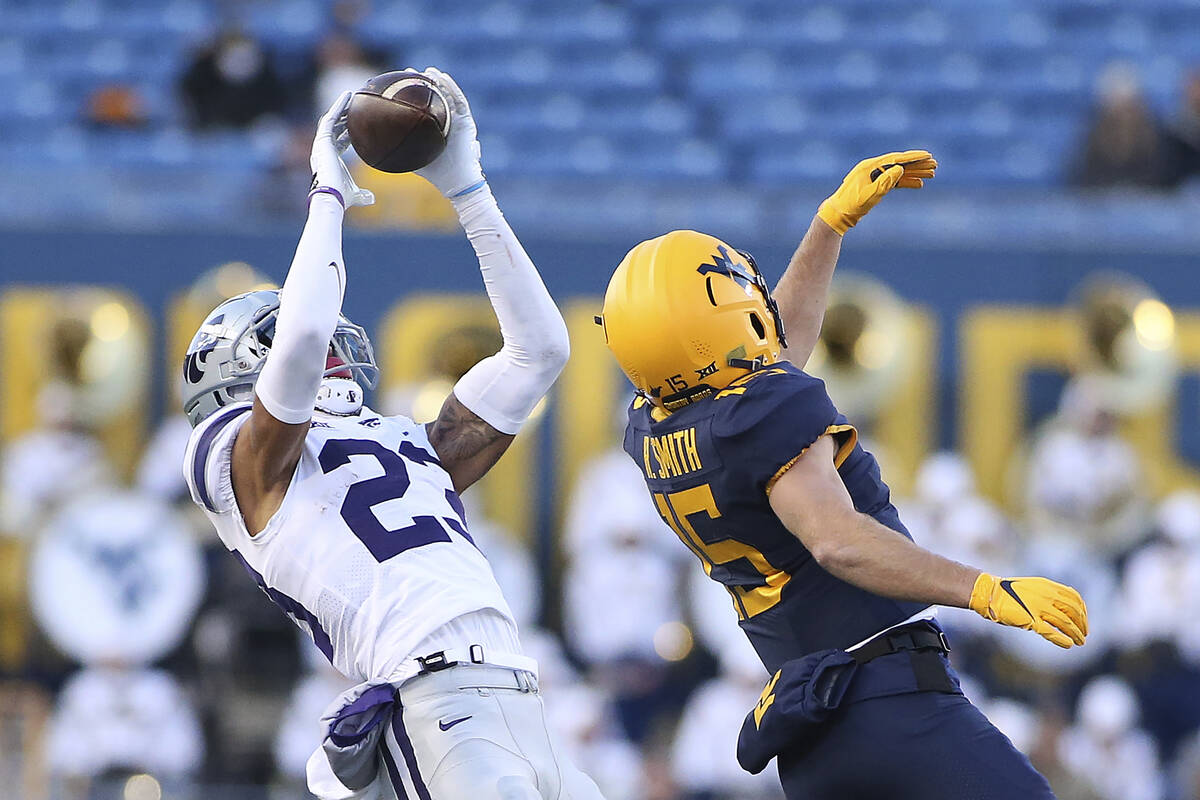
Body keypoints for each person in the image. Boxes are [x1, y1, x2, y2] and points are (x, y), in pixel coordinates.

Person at [596, 151, 1089, 799]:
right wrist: (983, 589)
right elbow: (836, 539)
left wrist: (828, 227)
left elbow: (766, 354)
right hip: (886, 702)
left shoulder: (650, 428)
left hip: (810, 730)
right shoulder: (767, 409)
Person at [180, 72, 604, 800]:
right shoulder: (237, 464)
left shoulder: (409, 444)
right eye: (280, 342)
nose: (339, 347)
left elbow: (541, 351)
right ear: (239, 371)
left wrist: (467, 188)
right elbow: (308, 331)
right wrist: (328, 190)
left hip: (521, 696)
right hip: (433, 702)